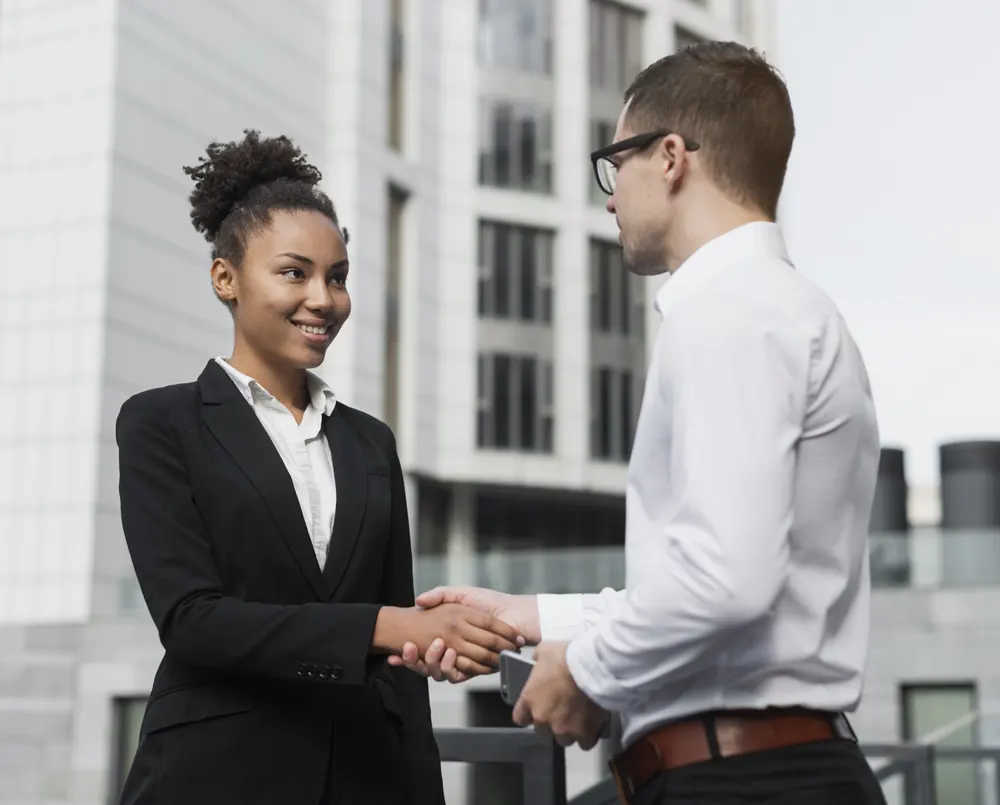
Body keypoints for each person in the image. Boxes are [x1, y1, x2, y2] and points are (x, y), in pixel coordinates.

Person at [393, 43, 887, 805]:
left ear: (670, 158)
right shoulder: (776, 308)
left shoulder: (732, 311)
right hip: (758, 772)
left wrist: (586, 669)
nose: (610, 195)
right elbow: (721, 580)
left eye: (613, 161)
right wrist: (525, 617)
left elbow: (723, 579)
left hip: (741, 782)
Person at [115, 130, 522, 805]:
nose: (323, 298)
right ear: (226, 278)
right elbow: (192, 619)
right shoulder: (162, 422)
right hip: (213, 779)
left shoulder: (371, 443)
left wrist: (422, 644)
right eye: (295, 272)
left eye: (338, 277)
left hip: (365, 777)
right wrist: (389, 626)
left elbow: (401, 670)